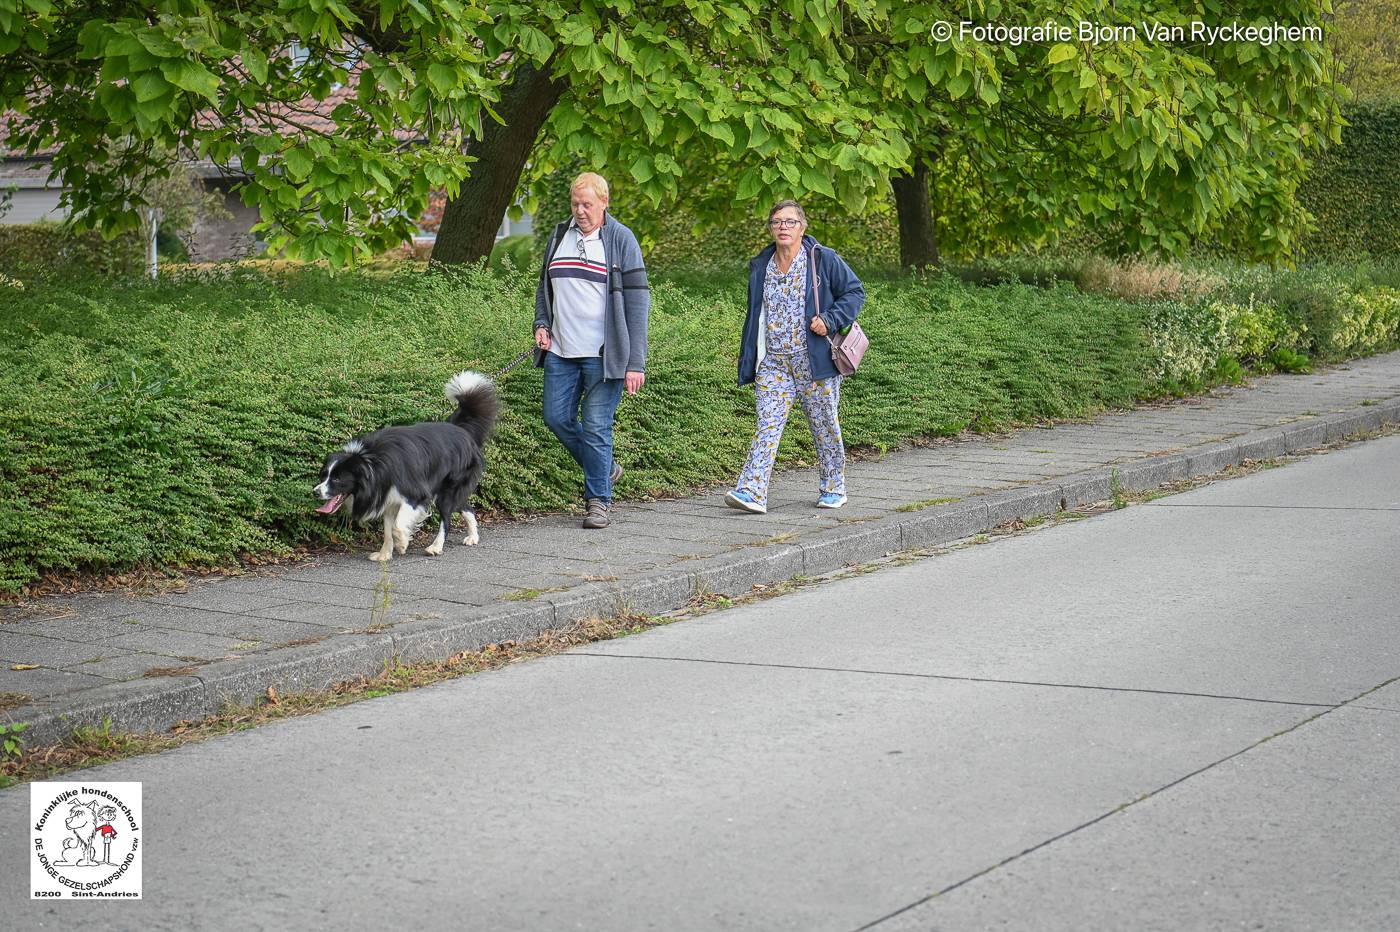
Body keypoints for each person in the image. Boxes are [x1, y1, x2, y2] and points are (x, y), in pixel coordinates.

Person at [725, 199, 864, 515]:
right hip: (774, 361)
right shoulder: (762, 265)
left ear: (803, 227)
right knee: (767, 425)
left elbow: (855, 292)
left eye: (789, 222)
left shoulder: (822, 259)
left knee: (824, 424)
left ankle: (833, 488)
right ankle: (752, 491)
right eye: (776, 222)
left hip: (814, 361)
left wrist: (829, 319)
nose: (783, 227)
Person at [533, 172, 650, 529]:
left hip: (604, 355)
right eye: (575, 203)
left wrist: (636, 362)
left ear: (604, 202)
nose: (580, 211)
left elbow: (637, 303)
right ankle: (606, 469)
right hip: (561, 351)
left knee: (598, 427)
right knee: (556, 418)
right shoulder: (558, 235)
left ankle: (598, 502)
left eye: (587, 204)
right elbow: (544, 288)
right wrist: (541, 324)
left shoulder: (620, 239)